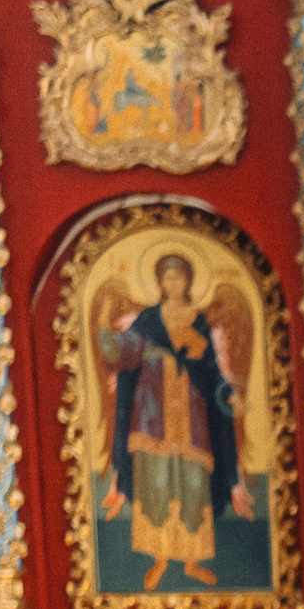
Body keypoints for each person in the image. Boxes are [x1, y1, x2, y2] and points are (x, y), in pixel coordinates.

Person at [98, 253, 254, 590]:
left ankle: (192, 561)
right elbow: (124, 352)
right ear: (159, 282)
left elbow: (211, 370)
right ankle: (160, 560)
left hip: (192, 415)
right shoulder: (148, 320)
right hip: (152, 414)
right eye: (167, 278)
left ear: (188, 281)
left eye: (178, 277)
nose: (173, 284)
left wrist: (228, 393)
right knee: (156, 486)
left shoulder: (198, 322)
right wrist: (102, 331)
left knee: (193, 487)